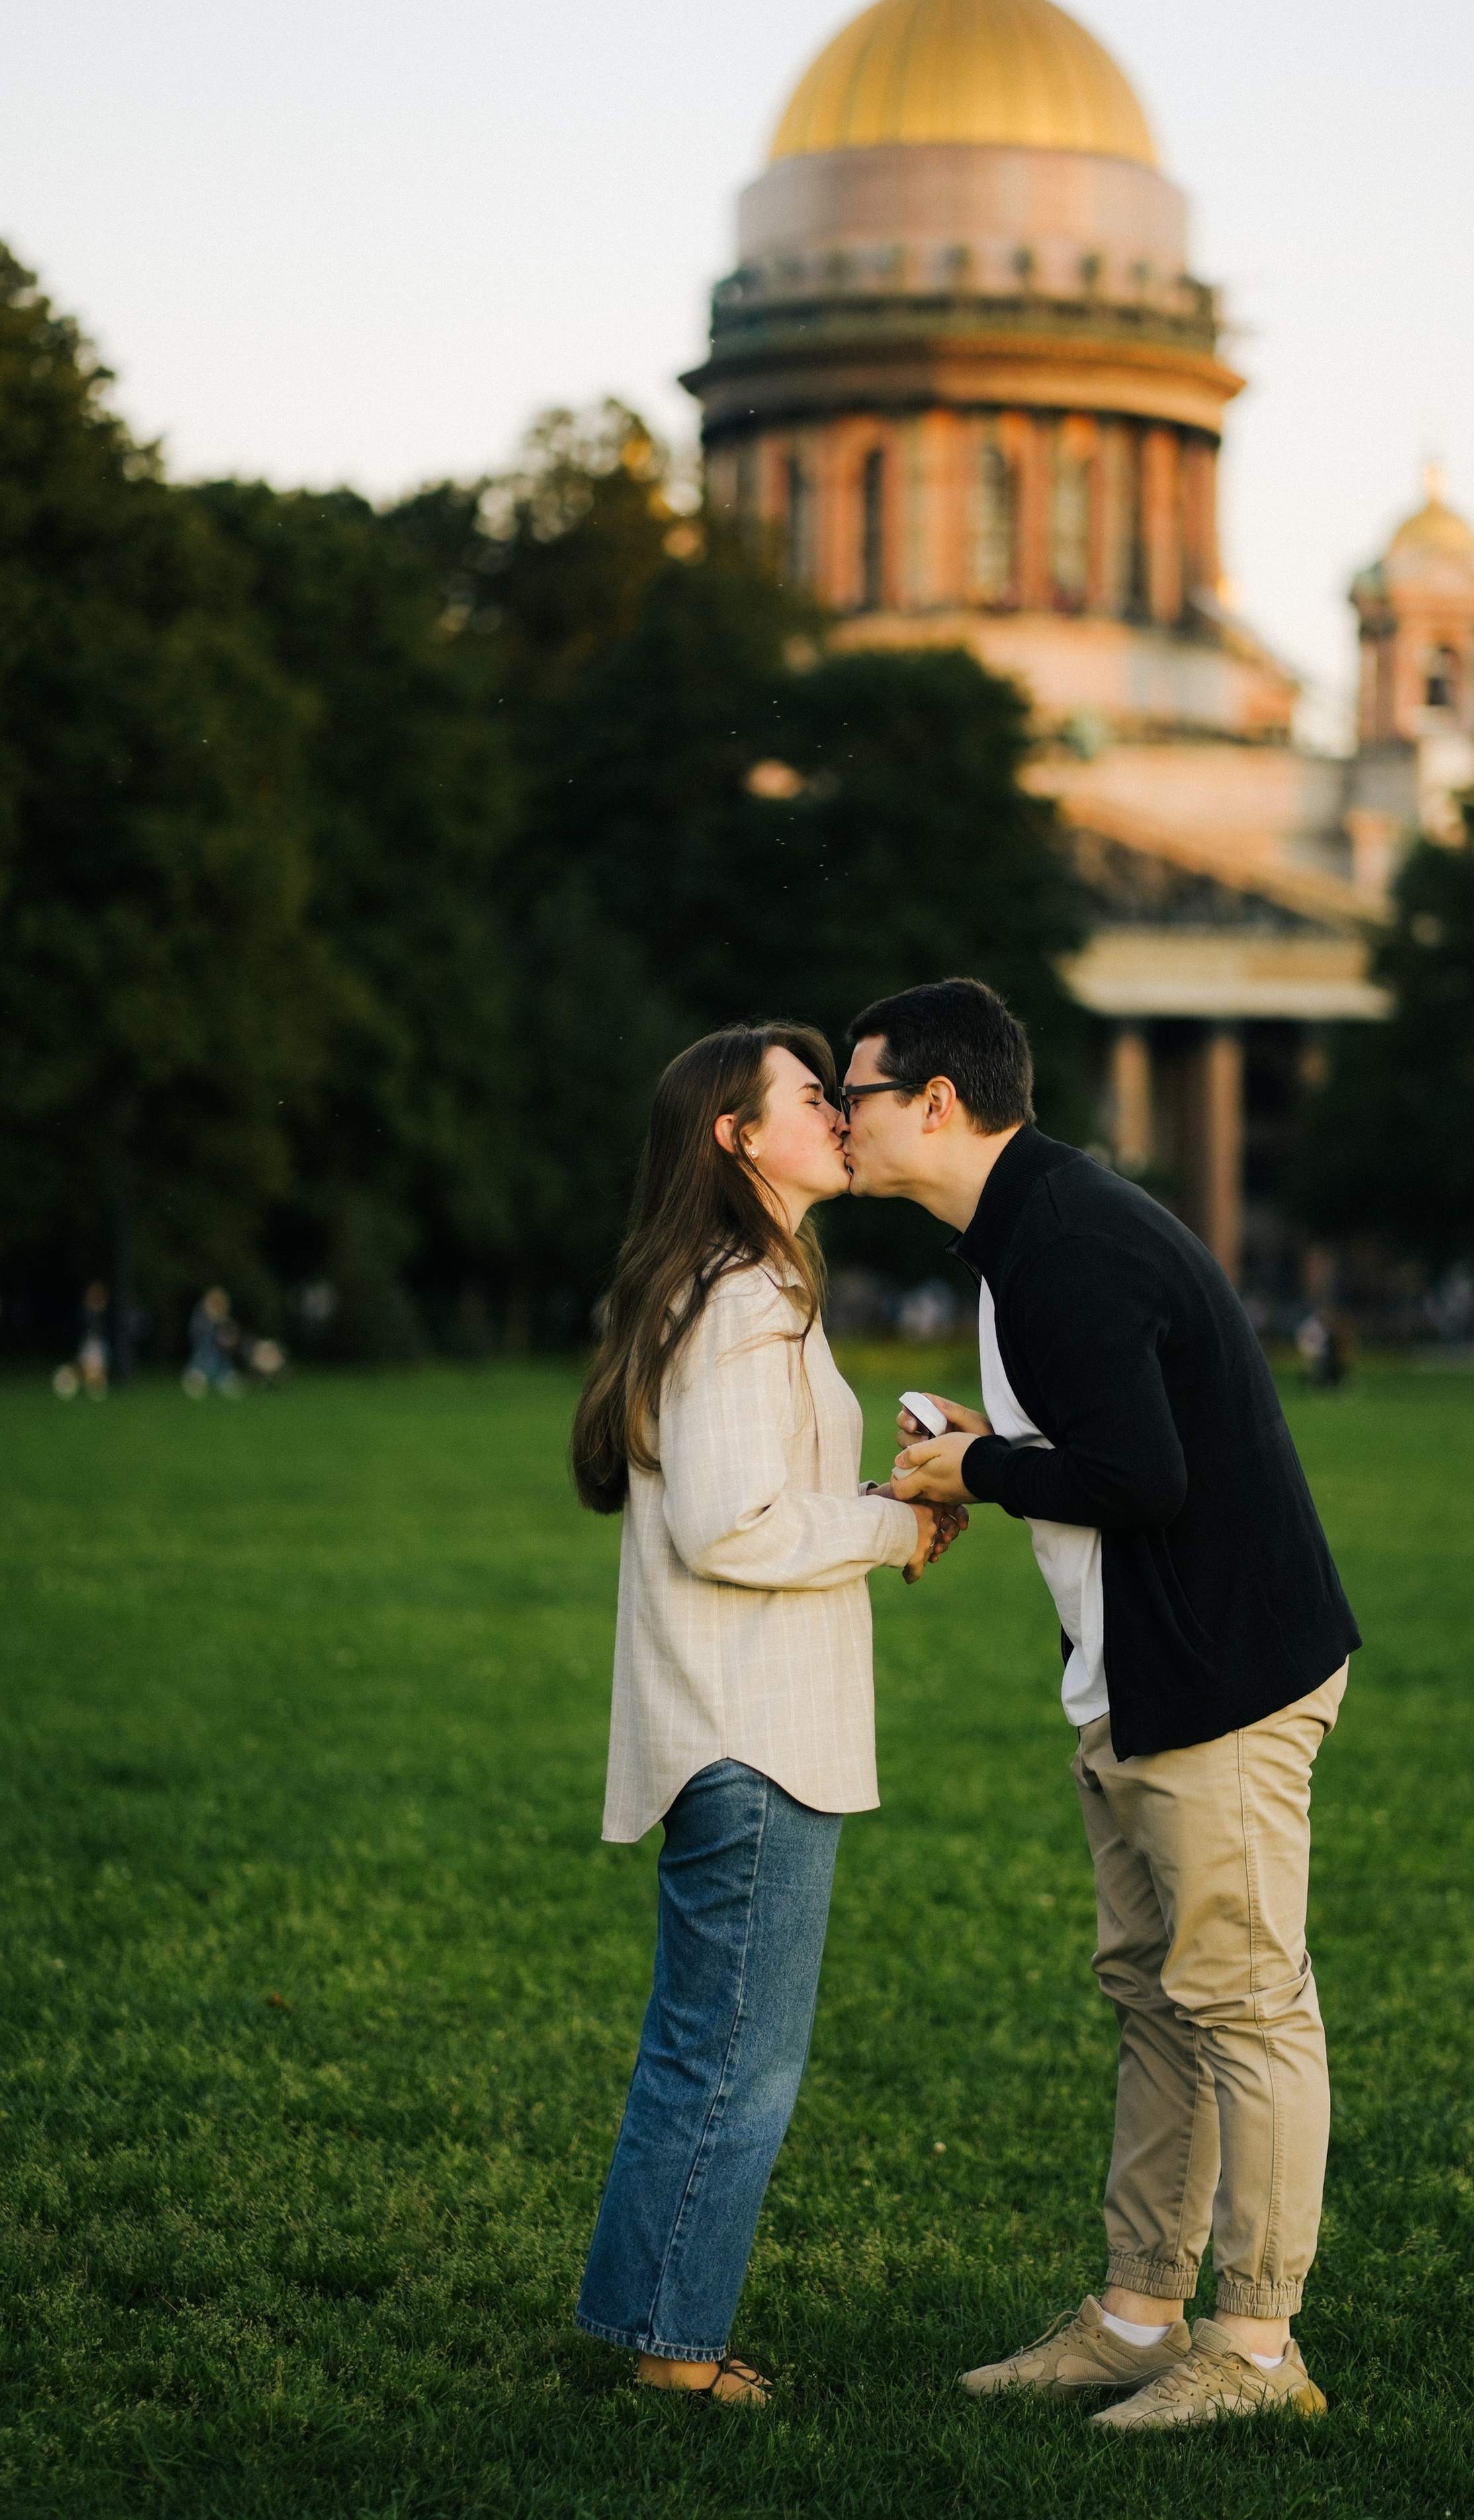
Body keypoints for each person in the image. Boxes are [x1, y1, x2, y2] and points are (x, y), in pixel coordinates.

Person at [840, 978, 1359, 2433]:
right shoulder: (1032, 1225)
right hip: (1142, 1674)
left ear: (933, 1104)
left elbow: (1143, 1480)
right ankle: (1140, 2316)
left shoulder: (1058, 1240)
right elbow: (1115, 1435)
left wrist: (976, 1473)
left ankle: (1253, 2350)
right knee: (1153, 1997)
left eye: (855, 1089)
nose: (839, 1113)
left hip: (1219, 1679)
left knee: (1243, 2004)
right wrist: (991, 1445)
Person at [570, 1023, 959, 2406]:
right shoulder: (741, 1297)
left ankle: (645, 2322)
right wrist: (882, 1519)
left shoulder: (745, 1285)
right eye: (811, 1098)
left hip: (747, 1722)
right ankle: (676, 2355)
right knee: (735, 2055)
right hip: (751, 1733)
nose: (839, 1116)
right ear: (735, 1137)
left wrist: (885, 1505)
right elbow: (727, 1526)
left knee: (706, 2041)